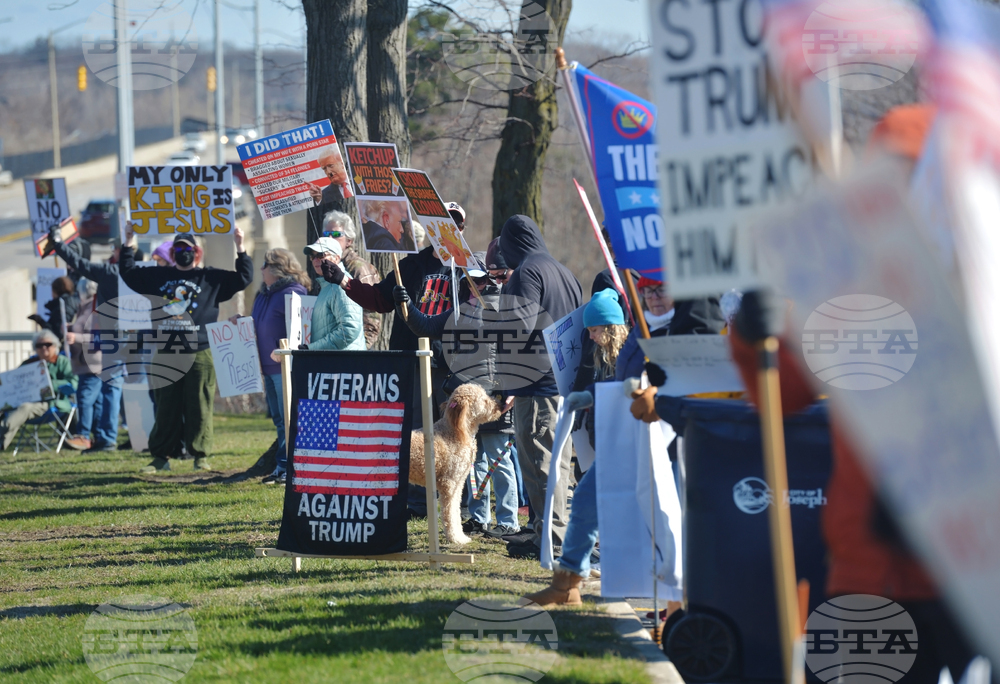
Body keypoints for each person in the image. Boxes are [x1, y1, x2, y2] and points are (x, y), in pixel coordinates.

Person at [322, 201, 467, 516]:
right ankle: (417, 499)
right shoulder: (411, 265)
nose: (448, 229)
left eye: (455, 224)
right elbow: (378, 299)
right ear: (430, 228)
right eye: (442, 222)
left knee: (454, 430)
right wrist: (343, 280)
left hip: (451, 364)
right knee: (417, 430)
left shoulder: (467, 268)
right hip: (411, 358)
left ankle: (458, 500)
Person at [391, 253, 521, 539]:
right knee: (473, 466)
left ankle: (509, 521)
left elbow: (519, 352)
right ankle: (478, 518)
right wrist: (406, 304)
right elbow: (424, 325)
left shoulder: (507, 309)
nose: (475, 285)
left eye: (481, 279)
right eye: (468, 280)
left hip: (496, 398)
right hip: (463, 401)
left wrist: (511, 389)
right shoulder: (459, 312)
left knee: (499, 459)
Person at [523, 290, 628, 605]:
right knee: (585, 503)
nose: (592, 337)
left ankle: (575, 581)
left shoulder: (629, 353)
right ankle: (567, 584)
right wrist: (589, 396)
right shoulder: (602, 355)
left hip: (629, 446)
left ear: (610, 327)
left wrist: (593, 395)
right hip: (610, 444)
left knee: (594, 504)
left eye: (595, 330)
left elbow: (628, 387)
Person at [120, 228, 253, 473]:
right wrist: (128, 242)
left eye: (188, 249)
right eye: (179, 249)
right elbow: (127, 273)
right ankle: (161, 457)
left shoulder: (210, 278)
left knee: (200, 404)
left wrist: (240, 245)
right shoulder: (158, 276)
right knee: (165, 405)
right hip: (166, 352)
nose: (184, 253)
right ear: (172, 253)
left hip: (200, 351)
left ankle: (200, 455)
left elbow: (244, 278)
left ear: (197, 253)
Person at [498, 214, 583, 559]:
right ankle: (545, 534)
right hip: (565, 383)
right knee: (559, 465)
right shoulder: (566, 272)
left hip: (536, 385)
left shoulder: (526, 272)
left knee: (540, 465)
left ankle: (553, 539)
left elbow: (518, 325)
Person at [46, 228, 128, 453]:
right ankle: (106, 437)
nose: (111, 253)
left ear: (120, 251)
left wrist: (58, 243)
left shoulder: (111, 272)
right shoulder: (138, 273)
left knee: (107, 392)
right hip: (128, 336)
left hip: (110, 338)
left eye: (114, 249)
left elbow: (78, 263)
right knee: (110, 391)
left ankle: (104, 438)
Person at [250, 248, 311, 485]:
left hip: (285, 367)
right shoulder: (264, 294)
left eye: (264, 265)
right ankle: (282, 465)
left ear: (276, 268)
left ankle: (291, 467)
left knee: (289, 419)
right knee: (278, 419)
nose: (261, 269)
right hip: (266, 367)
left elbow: (297, 331)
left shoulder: (293, 292)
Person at [616, 278, 726, 381]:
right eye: (648, 291)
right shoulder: (641, 327)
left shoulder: (685, 329)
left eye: (662, 290)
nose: (654, 297)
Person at [1, 330, 78, 451]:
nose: (43, 348)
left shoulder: (62, 362)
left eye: (48, 344)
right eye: (39, 345)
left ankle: (2, 429)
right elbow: (14, 383)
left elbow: (73, 383)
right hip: (24, 400)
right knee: (7, 406)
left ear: (55, 346)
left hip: (51, 403)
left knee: (24, 408)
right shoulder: (29, 364)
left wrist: (49, 384)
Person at [321, 211, 382, 349]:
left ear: (349, 241)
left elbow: (372, 313)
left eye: (336, 234)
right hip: (332, 344)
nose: (330, 238)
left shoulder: (358, 268)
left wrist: (362, 347)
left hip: (354, 348)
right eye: (326, 234)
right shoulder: (322, 265)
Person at [303, 237, 365, 351]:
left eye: (321, 255)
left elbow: (350, 329)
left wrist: (312, 348)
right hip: (332, 364)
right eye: (312, 256)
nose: (315, 260)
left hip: (345, 365)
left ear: (336, 258)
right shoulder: (327, 285)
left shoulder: (340, 285)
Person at [64, 279, 104, 451]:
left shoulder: (94, 307)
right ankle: (98, 436)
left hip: (92, 364)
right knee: (95, 402)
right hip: (85, 363)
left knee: (85, 399)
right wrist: (71, 327)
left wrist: (75, 337)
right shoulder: (86, 306)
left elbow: (98, 337)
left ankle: (84, 435)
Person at [28, 276, 78, 344]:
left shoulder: (61, 306)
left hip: (66, 348)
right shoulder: (73, 302)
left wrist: (41, 321)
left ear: (55, 291)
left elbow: (57, 333)